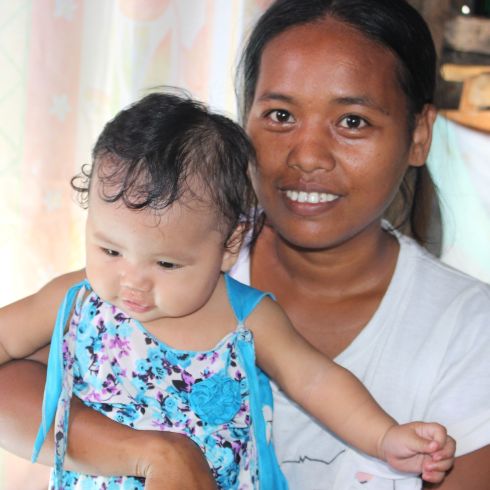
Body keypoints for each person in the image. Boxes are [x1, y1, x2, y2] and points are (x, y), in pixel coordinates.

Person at [0, 0, 488, 489]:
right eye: (280, 114)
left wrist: (385, 437)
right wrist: (157, 455)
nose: (309, 156)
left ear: (419, 133)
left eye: (353, 121)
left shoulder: (466, 334)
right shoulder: (129, 273)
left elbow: (315, 379)